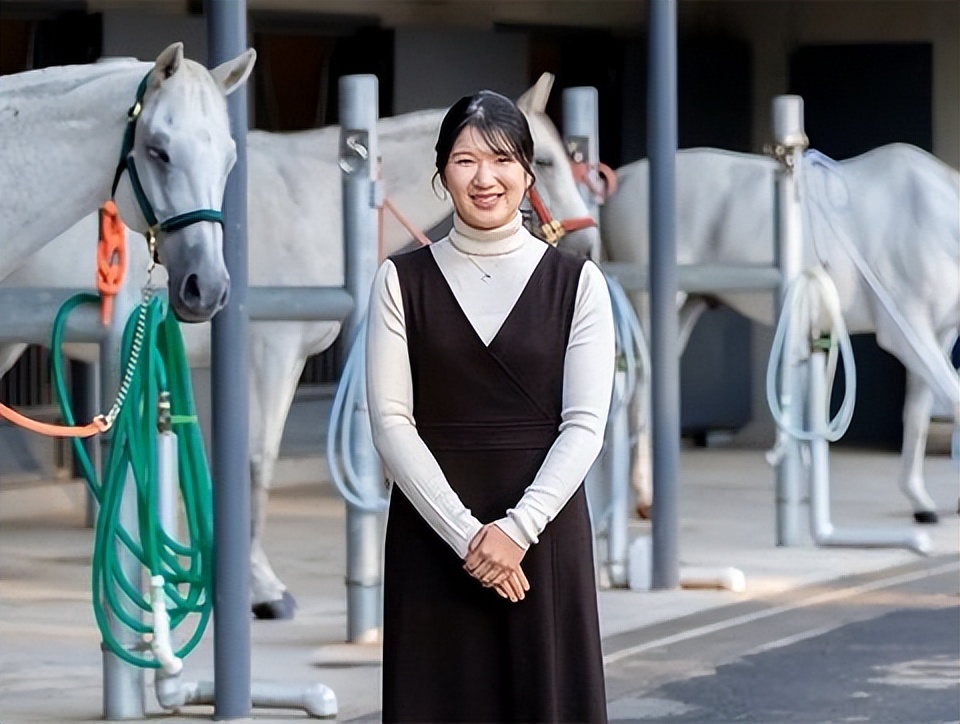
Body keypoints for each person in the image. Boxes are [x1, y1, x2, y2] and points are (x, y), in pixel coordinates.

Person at [365, 89, 615, 723]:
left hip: (544, 537)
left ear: (527, 174)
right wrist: (470, 538)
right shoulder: (400, 280)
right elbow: (392, 423)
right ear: (441, 172)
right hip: (433, 536)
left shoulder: (578, 283)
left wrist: (517, 530)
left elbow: (585, 427)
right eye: (465, 160)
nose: (485, 178)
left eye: (502, 160)